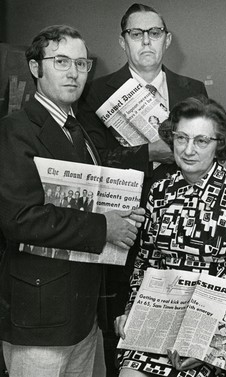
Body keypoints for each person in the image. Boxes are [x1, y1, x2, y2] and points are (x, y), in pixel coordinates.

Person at [0, 25, 145, 377]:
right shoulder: (15, 129)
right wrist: (104, 225)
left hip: (83, 315)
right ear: (35, 68)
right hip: (39, 317)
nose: (74, 72)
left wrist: (120, 213)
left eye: (82, 64)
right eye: (61, 61)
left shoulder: (79, 129)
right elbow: (19, 219)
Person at [76, 4, 208, 374]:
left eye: (154, 33)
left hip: (184, 224)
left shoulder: (192, 89)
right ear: (123, 41)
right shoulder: (96, 90)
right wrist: (150, 151)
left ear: (167, 39)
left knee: (181, 324)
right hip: (125, 224)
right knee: (124, 326)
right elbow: (95, 158)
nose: (146, 41)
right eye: (137, 34)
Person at [115, 96, 226, 377]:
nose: (189, 150)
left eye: (201, 141)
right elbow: (145, 262)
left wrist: (209, 347)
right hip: (156, 323)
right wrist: (131, 311)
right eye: (181, 138)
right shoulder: (160, 190)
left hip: (208, 334)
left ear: (219, 144)